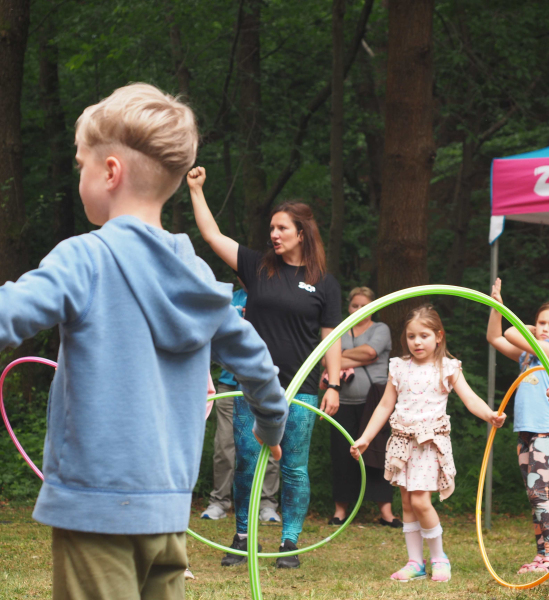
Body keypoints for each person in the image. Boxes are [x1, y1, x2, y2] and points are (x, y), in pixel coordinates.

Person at [0, 83, 288, 600]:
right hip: (167, 517)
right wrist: (270, 424)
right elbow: (258, 365)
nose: (79, 176)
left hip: (96, 513)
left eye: (81, 165)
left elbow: (9, 313)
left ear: (110, 172)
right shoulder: (197, 277)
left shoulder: (85, 258)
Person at [187, 168, 342, 569]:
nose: (274, 234)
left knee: (293, 466)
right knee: (246, 460)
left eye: (282, 228)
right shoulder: (257, 267)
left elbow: (331, 338)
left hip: (302, 387)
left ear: (301, 233)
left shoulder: (324, 283)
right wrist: (196, 189)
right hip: (253, 385)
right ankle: (243, 536)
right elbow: (212, 236)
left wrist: (334, 384)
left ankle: (289, 542)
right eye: (272, 228)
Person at [351, 304, 506, 583]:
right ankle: (415, 562)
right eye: (411, 336)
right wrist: (365, 438)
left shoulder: (447, 367)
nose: (417, 342)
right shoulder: (399, 366)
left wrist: (489, 415)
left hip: (429, 444)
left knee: (420, 501)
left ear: (438, 336)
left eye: (424, 335)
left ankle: (439, 557)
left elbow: (470, 398)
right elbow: (385, 405)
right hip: (402, 442)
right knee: (407, 502)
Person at [487, 278, 549, 574]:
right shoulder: (528, 357)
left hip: (548, 431)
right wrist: (496, 307)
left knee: (538, 492)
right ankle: (543, 555)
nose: (544, 328)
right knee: (534, 495)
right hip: (526, 432)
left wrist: (527, 328)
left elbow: (511, 332)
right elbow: (495, 336)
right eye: (541, 322)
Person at [201, 281, 281, 523]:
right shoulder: (229, 298)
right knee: (224, 445)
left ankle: (266, 504)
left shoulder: (273, 296)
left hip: (260, 384)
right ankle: (219, 502)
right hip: (228, 384)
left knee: (269, 441)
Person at [328, 287, 400, 527]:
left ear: (373, 307)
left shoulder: (381, 329)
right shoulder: (339, 329)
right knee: (341, 455)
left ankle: (386, 513)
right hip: (342, 402)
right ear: (348, 307)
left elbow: (371, 351)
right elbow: (327, 359)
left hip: (375, 402)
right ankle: (340, 511)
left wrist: (340, 356)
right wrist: (359, 357)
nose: (359, 309)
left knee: (377, 453)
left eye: (364, 305)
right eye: (355, 305)